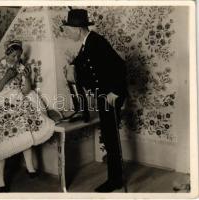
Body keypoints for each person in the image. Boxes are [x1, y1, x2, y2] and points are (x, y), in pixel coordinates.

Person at [0, 40, 55, 192]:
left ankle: (30, 167)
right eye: (12, 55)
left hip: (17, 99)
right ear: (6, 53)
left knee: (25, 122)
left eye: (18, 56)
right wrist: (6, 77)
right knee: (2, 133)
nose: (15, 59)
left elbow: (26, 91)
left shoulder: (21, 67)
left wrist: (27, 78)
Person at [63, 9, 128, 192]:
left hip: (110, 95)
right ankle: (115, 178)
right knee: (108, 137)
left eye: (68, 29)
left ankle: (115, 181)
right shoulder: (86, 43)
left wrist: (115, 92)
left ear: (78, 28)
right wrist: (72, 63)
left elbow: (119, 66)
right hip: (102, 94)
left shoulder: (96, 41)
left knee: (111, 138)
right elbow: (85, 64)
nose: (67, 33)